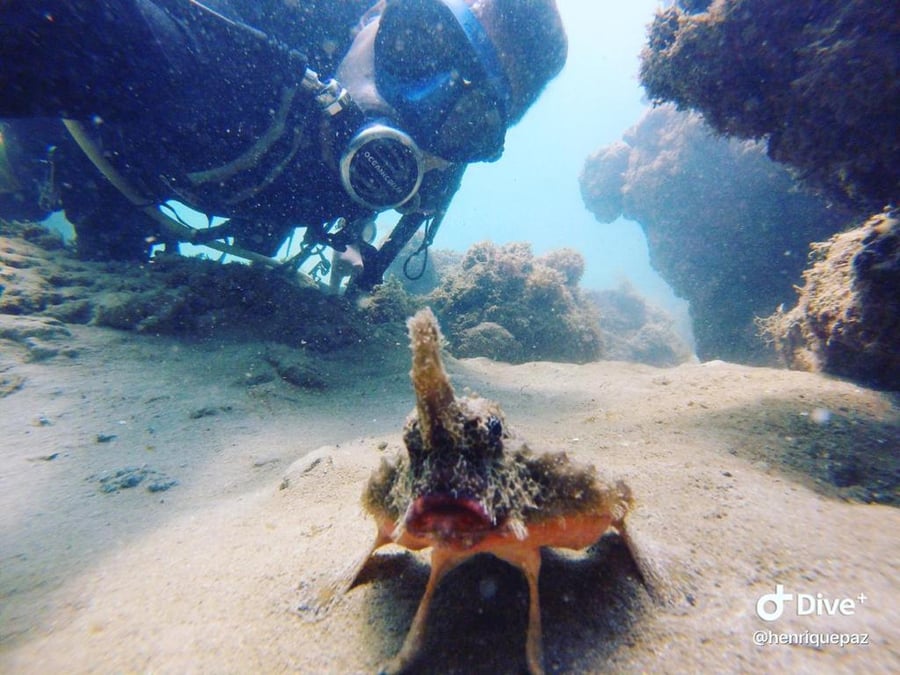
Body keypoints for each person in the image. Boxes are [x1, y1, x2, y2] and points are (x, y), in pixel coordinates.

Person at [0, 0, 567, 290]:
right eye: (420, 43)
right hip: (65, 149)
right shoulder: (225, 56)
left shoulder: (427, 181)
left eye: (468, 119)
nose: (413, 108)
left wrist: (358, 235)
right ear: (375, 12)